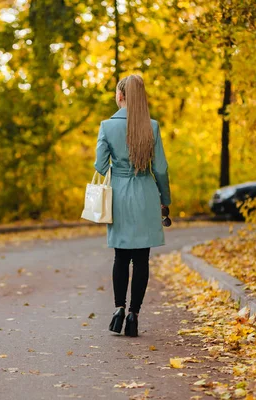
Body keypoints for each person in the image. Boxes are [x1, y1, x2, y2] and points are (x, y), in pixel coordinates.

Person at [94, 75, 171, 337]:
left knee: (120, 256)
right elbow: (160, 168)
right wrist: (165, 200)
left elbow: (100, 166)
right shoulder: (152, 126)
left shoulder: (107, 126)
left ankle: (118, 308)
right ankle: (134, 315)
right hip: (146, 194)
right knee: (141, 259)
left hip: (119, 195)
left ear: (120, 96)